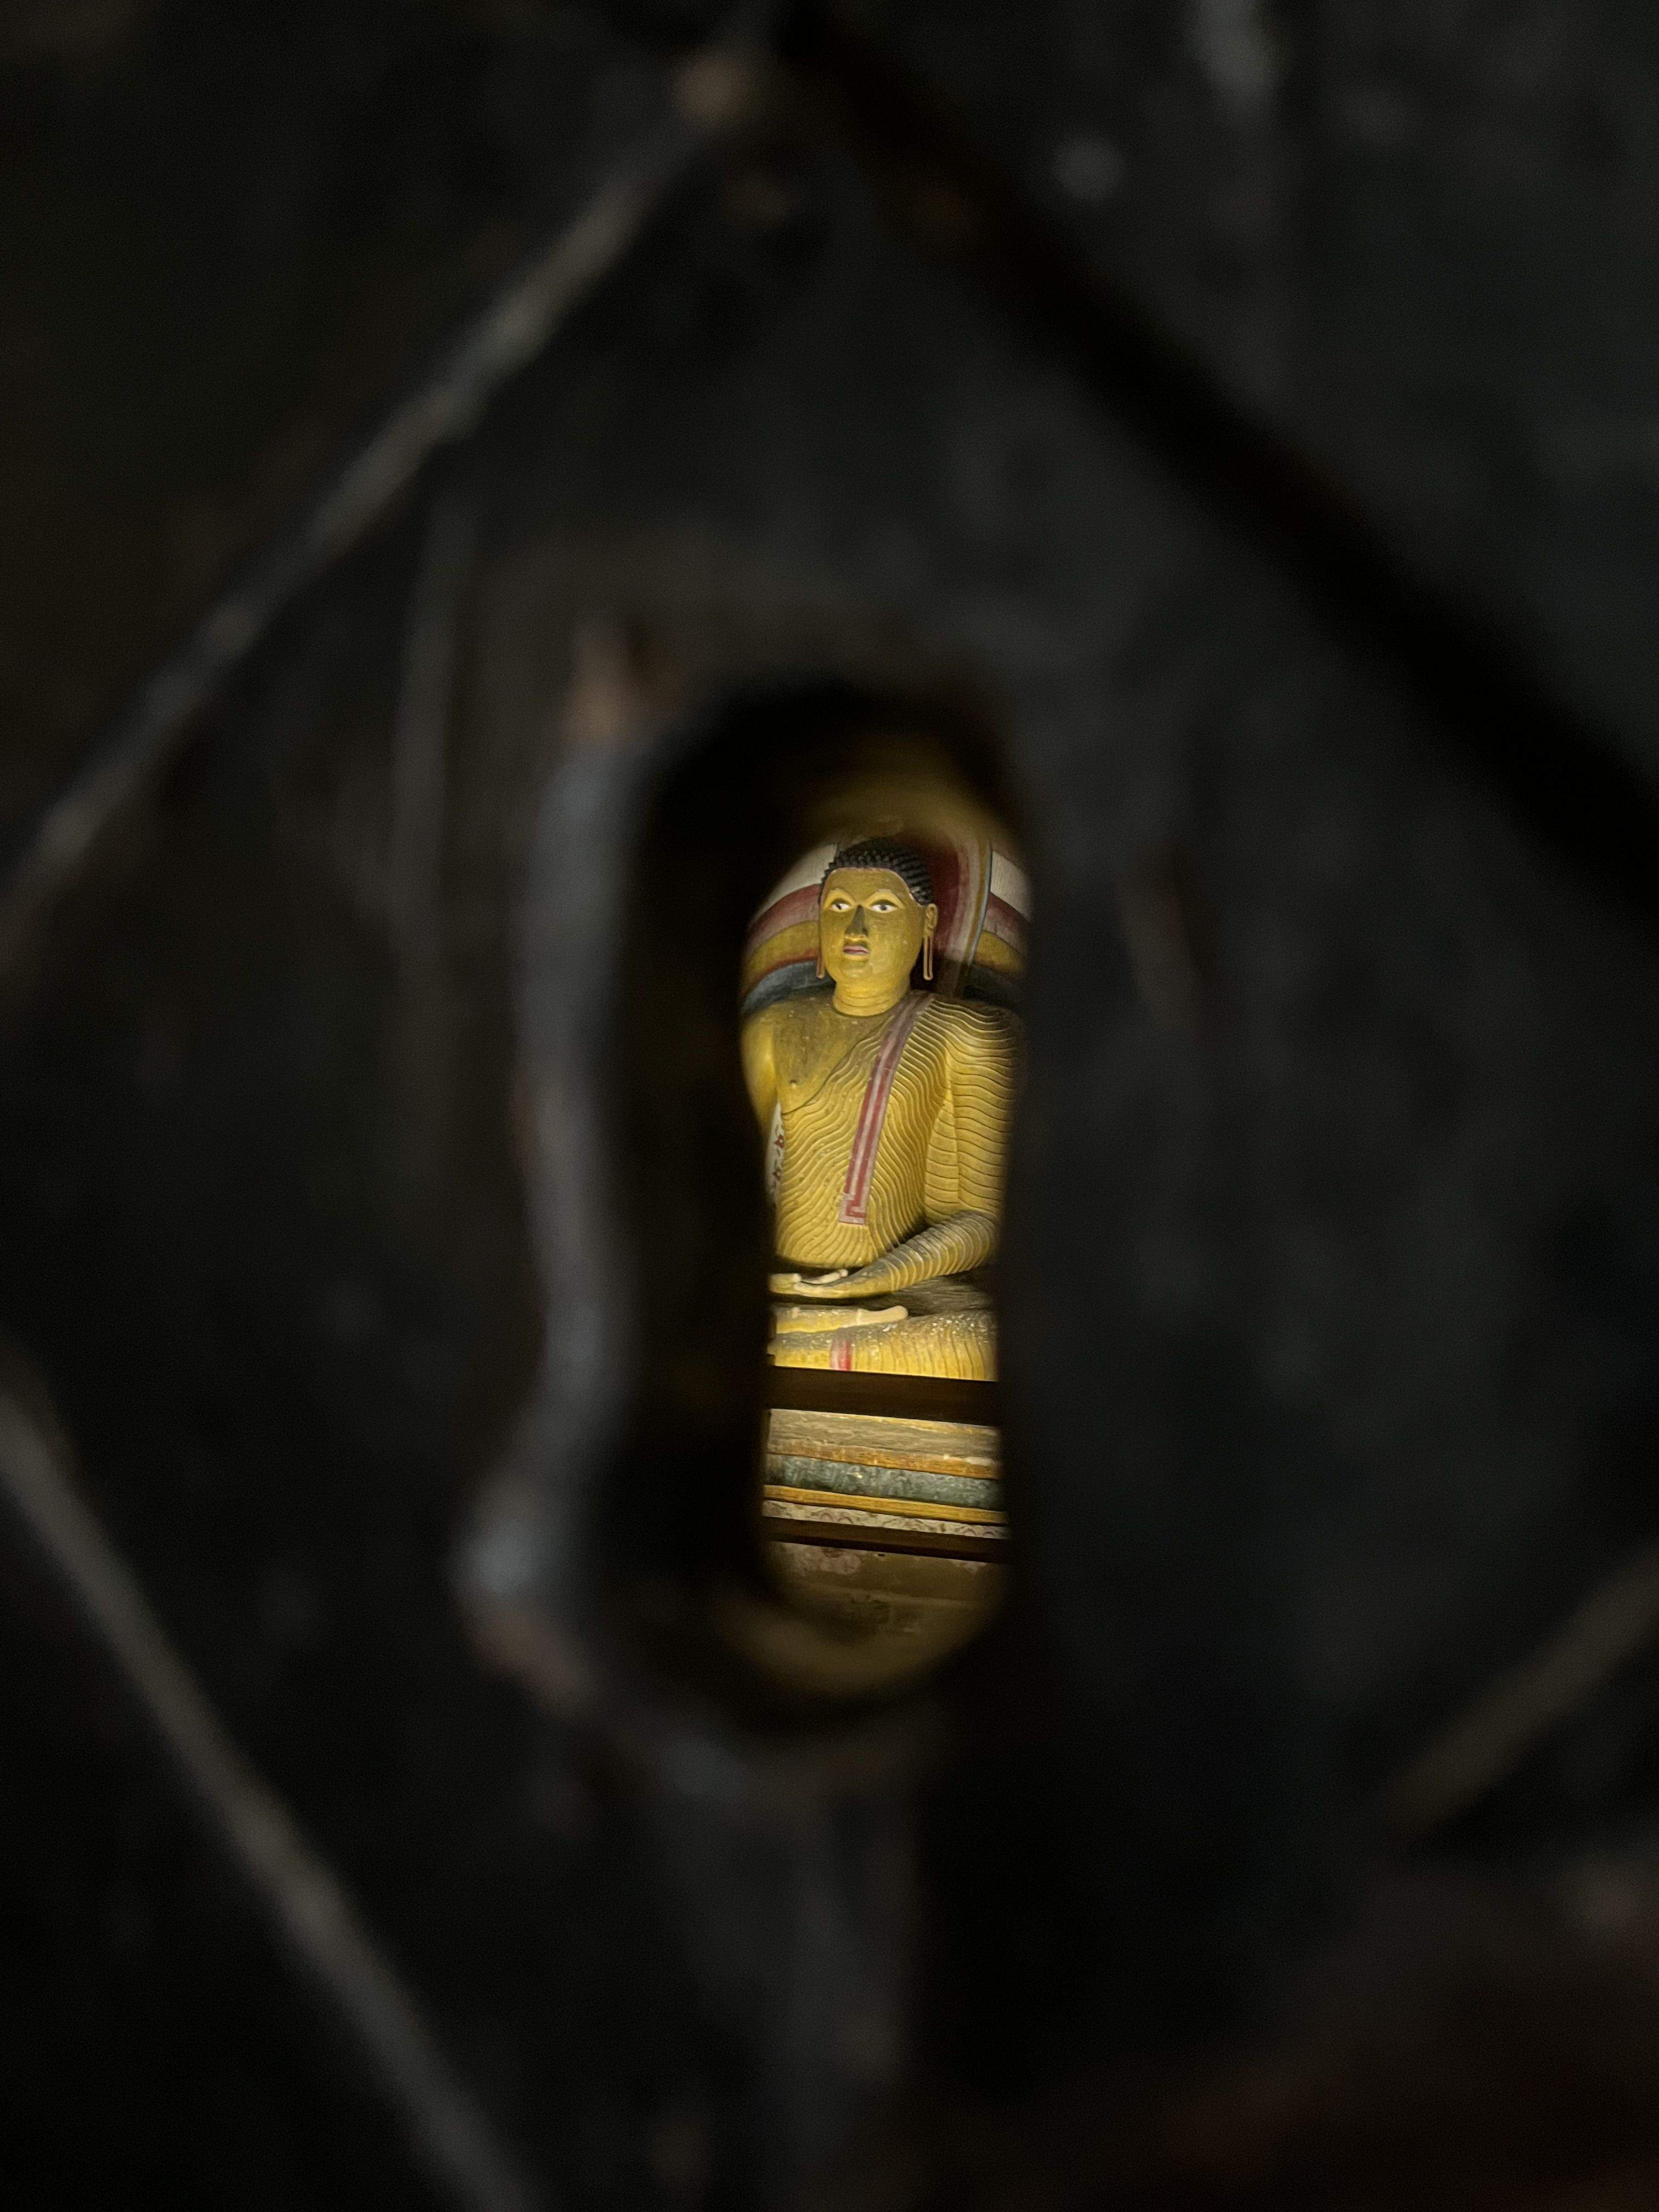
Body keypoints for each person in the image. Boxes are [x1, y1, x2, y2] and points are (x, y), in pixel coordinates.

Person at [740, 838, 1019, 1380]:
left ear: (928, 922)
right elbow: (719, 1178)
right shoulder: (774, 1029)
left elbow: (984, 1221)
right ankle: (802, 1338)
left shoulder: (967, 1037)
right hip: (780, 1284)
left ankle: (802, 1344)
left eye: (882, 909)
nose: (856, 931)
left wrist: (874, 1277)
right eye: (839, 908)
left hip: (898, 1291)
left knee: (986, 1345)